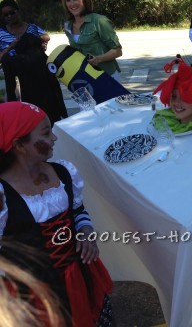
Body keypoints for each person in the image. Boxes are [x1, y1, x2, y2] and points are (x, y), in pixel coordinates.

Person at [0, 102, 113, 326]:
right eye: (46, 133)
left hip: (81, 277)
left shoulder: (63, 172)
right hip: (36, 296)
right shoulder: (3, 196)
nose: (54, 138)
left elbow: (78, 210)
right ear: (19, 145)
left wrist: (85, 230)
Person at [0, 0, 67, 123]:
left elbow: (46, 36)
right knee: (18, 102)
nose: (9, 16)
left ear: (17, 11)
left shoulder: (30, 27)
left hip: (36, 69)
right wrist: (12, 46)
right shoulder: (1, 33)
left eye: (11, 12)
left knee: (46, 100)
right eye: (5, 15)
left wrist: (35, 40)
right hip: (14, 71)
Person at [60, 0, 122, 82]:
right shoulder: (68, 25)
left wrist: (98, 59)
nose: (72, 4)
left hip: (107, 76)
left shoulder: (99, 21)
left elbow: (117, 51)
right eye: (68, 0)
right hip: (86, 78)